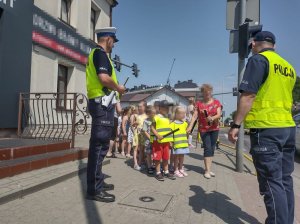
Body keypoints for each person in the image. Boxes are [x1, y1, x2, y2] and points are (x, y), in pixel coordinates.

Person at [228, 31, 297, 224]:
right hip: (288, 128)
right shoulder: (287, 67)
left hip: (267, 129)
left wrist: (235, 124)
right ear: (274, 45)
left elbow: (248, 96)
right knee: (284, 180)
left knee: (270, 182)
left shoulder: (258, 61)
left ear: (254, 44)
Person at [85, 27, 125, 202]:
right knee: (99, 147)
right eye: (113, 41)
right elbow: (103, 78)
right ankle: (94, 189)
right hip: (101, 105)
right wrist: (119, 88)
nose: (114, 45)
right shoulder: (100, 53)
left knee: (101, 146)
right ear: (108, 38)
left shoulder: (100, 55)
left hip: (103, 105)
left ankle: (98, 181)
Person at [187, 84, 222, 179]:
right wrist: (190, 126)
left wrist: (212, 117)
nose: (207, 94)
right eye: (205, 93)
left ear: (211, 92)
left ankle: (209, 169)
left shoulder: (216, 102)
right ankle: (206, 170)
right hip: (203, 129)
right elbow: (194, 116)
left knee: (212, 148)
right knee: (207, 147)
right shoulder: (199, 104)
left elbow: (219, 114)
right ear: (202, 93)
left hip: (215, 128)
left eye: (209, 93)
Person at [151, 100, 176, 181]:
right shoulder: (156, 117)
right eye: (165, 107)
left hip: (166, 142)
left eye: (168, 107)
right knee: (158, 158)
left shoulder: (167, 118)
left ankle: (166, 171)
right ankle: (158, 172)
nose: (167, 109)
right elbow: (152, 127)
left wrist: (170, 141)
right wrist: (157, 135)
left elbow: (168, 130)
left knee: (166, 157)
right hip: (157, 142)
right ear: (160, 108)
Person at [171, 106, 189, 178]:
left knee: (182, 156)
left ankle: (180, 168)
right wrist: (171, 143)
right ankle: (175, 170)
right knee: (176, 157)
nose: (183, 115)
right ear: (177, 114)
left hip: (183, 143)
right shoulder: (173, 124)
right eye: (182, 113)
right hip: (177, 144)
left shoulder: (185, 123)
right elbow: (171, 134)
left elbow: (186, 133)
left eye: (184, 113)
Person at [142, 105, 156, 174]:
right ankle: (149, 166)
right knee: (148, 154)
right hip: (148, 140)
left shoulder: (155, 120)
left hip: (155, 140)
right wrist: (150, 138)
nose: (154, 114)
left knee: (154, 153)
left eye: (154, 113)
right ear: (148, 113)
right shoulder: (146, 121)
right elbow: (144, 131)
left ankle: (153, 164)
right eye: (153, 113)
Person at [137, 101, 148, 168]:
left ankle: (147, 162)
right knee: (141, 149)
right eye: (138, 106)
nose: (139, 108)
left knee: (147, 150)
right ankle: (140, 162)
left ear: (145, 107)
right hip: (140, 135)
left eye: (140, 106)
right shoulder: (138, 116)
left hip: (147, 136)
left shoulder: (147, 116)